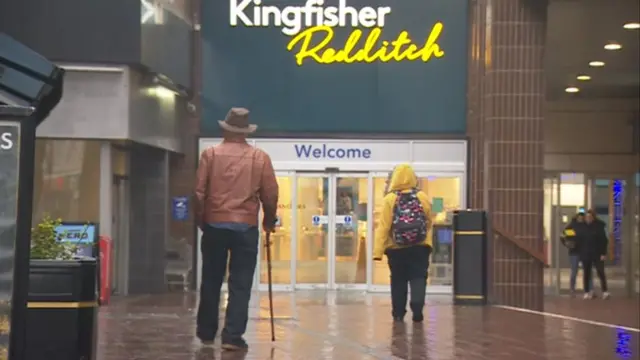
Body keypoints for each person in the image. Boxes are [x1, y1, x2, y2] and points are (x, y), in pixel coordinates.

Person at [194, 107, 279, 351]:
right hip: (245, 226)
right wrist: (268, 221)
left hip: (214, 224)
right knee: (240, 283)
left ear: (225, 129)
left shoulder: (210, 155)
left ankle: (206, 332)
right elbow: (270, 194)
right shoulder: (259, 158)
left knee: (211, 279)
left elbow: (199, 193)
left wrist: (203, 220)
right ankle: (232, 336)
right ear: (245, 131)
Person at [373, 164, 433, 322]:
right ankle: (417, 307)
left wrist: (377, 252)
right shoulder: (422, 197)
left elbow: (383, 227)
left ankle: (398, 314)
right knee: (418, 276)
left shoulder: (390, 199)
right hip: (420, 247)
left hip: (396, 248)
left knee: (398, 280)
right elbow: (429, 221)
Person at [579, 209, 610, 299]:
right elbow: (579, 240)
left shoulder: (599, 226)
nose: (588, 219)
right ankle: (587, 292)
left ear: (593, 217)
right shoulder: (583, 227)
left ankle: (605, 291)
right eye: (587, 217)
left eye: (590, 217)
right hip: (586, 253)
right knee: (586, 273)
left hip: (597, 253)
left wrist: (603, 253)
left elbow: (604, 240)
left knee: (600, 272)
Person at [561, 212, 592, 295]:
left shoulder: (586, 226)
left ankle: (589, 289)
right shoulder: (572, 226)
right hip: (574, 252)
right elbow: (563, 236)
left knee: (587, 271)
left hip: (585, 251)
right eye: (579, 217)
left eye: (582, 217)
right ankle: (572, 289)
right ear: (576, 217)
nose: (581, 219)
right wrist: (567, 244)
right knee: (574, 271)